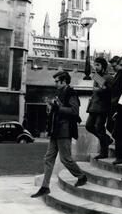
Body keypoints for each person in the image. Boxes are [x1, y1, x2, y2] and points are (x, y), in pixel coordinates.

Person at [31, 70, 87, 198]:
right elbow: (58, 109)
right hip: (55, 130)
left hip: (64, 130)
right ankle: (45, 187)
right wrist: (51, 107)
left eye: (57, 81)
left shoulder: (71, 93)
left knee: (65, 159)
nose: (55, 84)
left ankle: (81, 177)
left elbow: (74, 111)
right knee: (48, 158)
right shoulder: (59, 92)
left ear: (64, 81)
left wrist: (57, 108)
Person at [85, 57, 113, 159]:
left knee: (99, 128)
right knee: (88, 126)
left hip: (103, 107)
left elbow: (109, 92)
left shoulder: (109, 77)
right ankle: (107, 139)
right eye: (95, 65)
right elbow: (96, 91)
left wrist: (100, 90)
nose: (95, 67)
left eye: (98, 65)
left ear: (103, 66)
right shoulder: (96, 76)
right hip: (94, 106)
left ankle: (104, 152)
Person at [108, 56, 122, 165]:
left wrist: (119, 108)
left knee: (118, 132)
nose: (113, 68)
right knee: (114, 129)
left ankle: (120, 156)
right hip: (115, 105)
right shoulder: (118, 75)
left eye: (114, 66)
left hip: (119, 106)